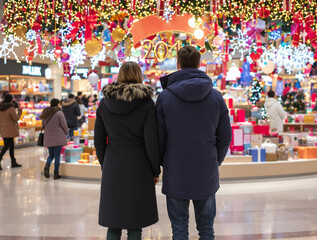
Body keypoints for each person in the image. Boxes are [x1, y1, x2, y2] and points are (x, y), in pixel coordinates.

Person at [156, 45, 232, 240]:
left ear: (178, 65)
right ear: (199, 64)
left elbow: (159, 137)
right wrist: (216, 160)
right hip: (206, 167)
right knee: (206, 228)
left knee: (179, 229)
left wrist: (164, 162)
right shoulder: (215, 97)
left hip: (175, 169)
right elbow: (225, 136)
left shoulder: (165, 98)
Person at [94, 61, 161, 240]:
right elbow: (151, 141)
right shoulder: (146, 104)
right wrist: (155, 169)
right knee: (135, 223)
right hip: (139, 165)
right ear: (139, 76)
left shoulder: (104, 104)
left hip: (113, 163)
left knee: (113, 222)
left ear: (120, 76)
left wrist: (105, 163)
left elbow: (99, 141)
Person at [40, 98, 68, 179]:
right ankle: (56, 173)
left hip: (48, 137)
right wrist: (66, 133)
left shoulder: (45, 113)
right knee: (57, 156)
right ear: (58, 104)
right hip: (58, 137)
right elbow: (64, 124)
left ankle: (47, 166)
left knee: (51, 154)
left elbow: (43, 125)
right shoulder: (59, 113)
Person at [0, 95, 23, 170]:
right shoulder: (10, 109)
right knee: (7, 145)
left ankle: (13, 162)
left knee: (11, 145)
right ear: (11, 100)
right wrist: (19, 110)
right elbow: (16, 118)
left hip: (3, 129)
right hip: (10, 130)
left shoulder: (1, 108)